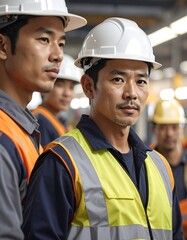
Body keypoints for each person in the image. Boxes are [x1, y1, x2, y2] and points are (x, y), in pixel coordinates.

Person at [22, 17, 183, 239]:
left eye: (141, 81)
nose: (131, 93)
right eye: (118, 79)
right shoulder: (62, 163)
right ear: (89, 86)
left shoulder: (161, 168)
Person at [0, 0, 86, 239]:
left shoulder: (23, 128)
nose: (58, 55)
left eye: (61, 43)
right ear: (3, 45)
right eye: (44, 40)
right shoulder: (4, 138)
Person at [150, 98, 187, 238]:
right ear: (154, 129)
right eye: (163, 127)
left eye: (175, 127)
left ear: (182, 129)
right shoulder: (145, 166)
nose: (169, 133)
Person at [32, 54, 83, 147]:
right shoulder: (40, 122)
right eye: (60, 85)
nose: (66, 93)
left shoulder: (59, 121)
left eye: (71, 87)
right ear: (45, 87)